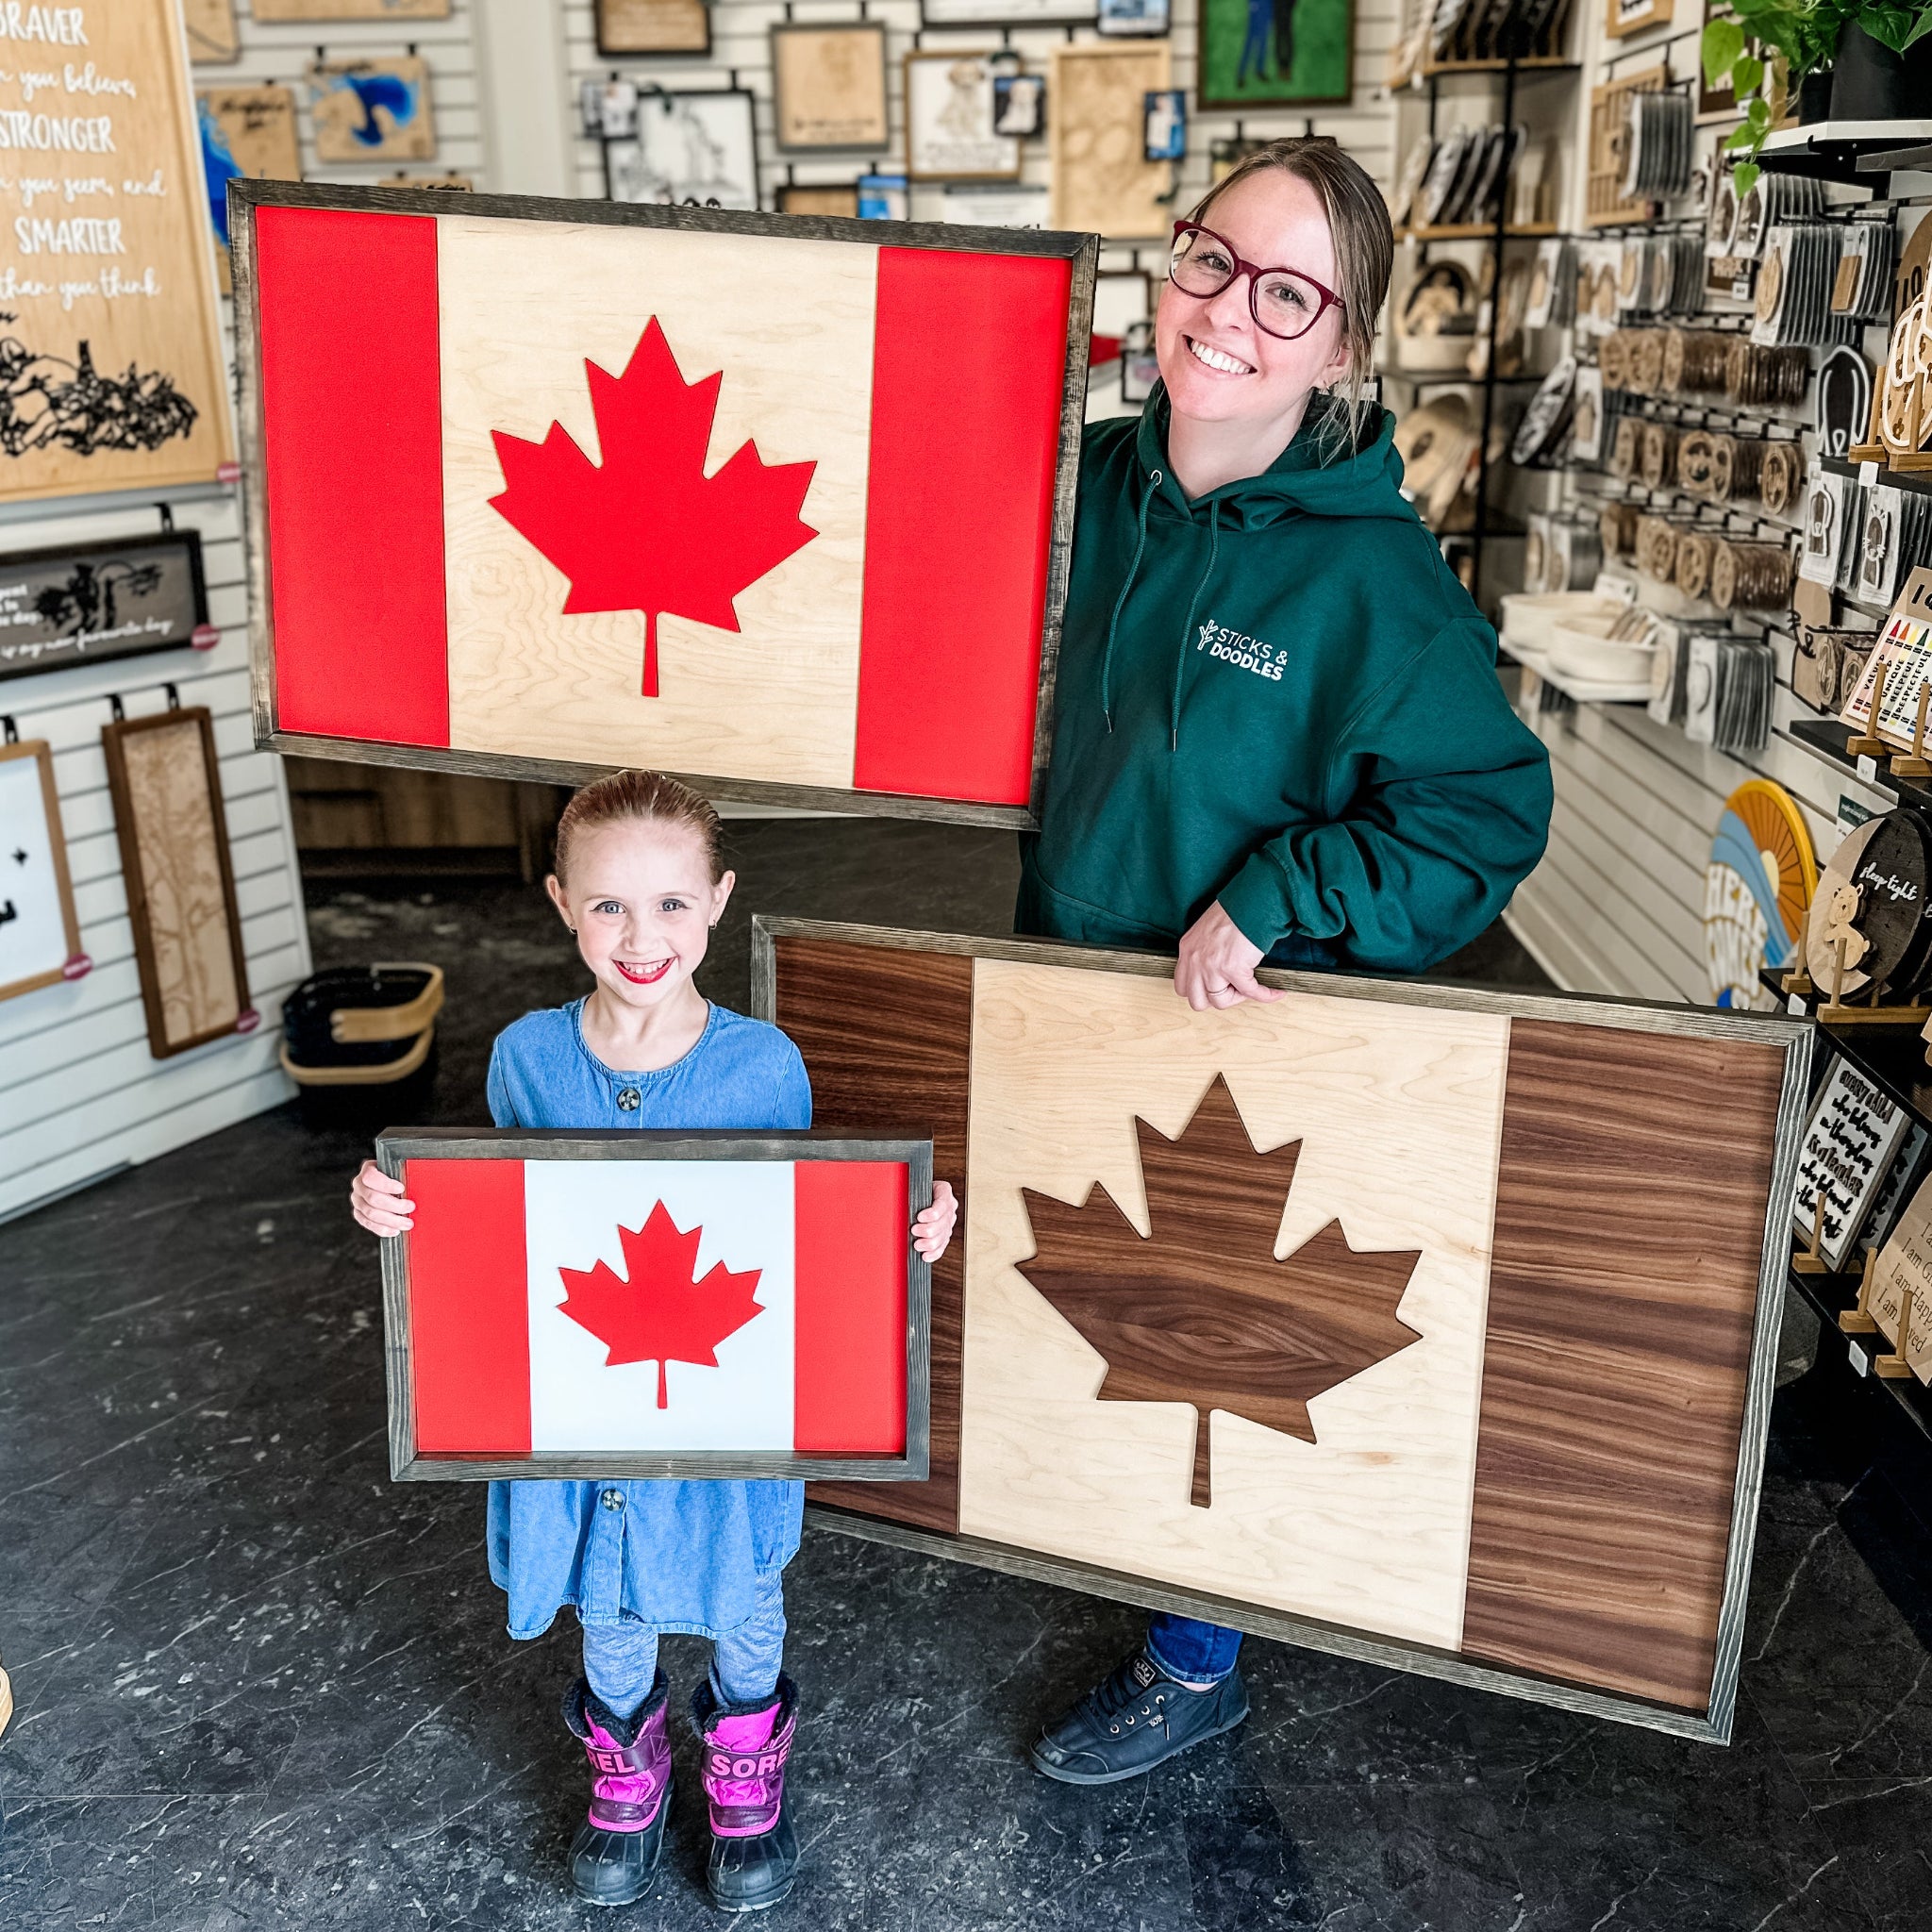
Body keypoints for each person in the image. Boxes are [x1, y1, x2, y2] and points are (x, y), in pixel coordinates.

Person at [1019, 137, 1553, 1785]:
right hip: (1062, 971)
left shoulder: (1370, 578)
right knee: (1089, 1302)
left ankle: (1197, 1662)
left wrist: (1282, 886)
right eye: (1206, 258)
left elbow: (1483, 813)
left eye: (1284, 293)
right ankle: (1122, 1559)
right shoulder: (1096, 485)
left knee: (1210, 1337)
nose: (1226, 312)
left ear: (1337, 345)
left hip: (1230, 1022)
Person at [352, 771, 958, 1910]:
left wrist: (907, 1227)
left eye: (672, 903)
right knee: (612, 1602)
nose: (642, 936)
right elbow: (490, 1228)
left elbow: (803, 1234)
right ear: (559, 902)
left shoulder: (761, 1065)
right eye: (609, 906)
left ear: (719, 900)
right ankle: (625, 1774)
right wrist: (395, 1208)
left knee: (741, 1598)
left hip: (717, 1411)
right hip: (590, 1408)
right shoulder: (526, 1057)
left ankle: (745, 1780)